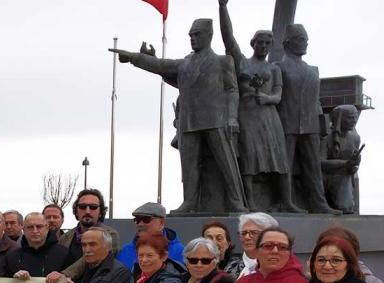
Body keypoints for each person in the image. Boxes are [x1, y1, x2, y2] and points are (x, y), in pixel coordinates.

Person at [111, 19, 249, 214]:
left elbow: (232, 90)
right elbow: (160, 65)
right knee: (189, 167)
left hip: (216, 121)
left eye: (197, 34)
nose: (193, 38)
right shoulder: (184, 63)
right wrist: (134, 57)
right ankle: (189, 203)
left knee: (227, 164)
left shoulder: (223, 61)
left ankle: (236, 202)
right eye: (191, 35)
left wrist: (232, 118)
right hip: (188, 122)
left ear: (209, 36)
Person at [218, 0, 302, 212]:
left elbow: (279, 95)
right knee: (250, 158)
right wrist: (223, 7)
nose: (263, 46)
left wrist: (267, 98)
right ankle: (251, 202)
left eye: (267, 43)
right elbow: (228, 38)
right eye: (260, 42)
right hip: (248, 115)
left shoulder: (274, 69)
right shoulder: (242, 62)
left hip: (269, 116)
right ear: (253, 43)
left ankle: (287, 201)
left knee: (279, 159)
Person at [275, 24, 340, 215]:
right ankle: (286, 201)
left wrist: (323, 125)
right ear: (288, 43)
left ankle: (319, 203)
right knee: (284, 165)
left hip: (310, 124)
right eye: (302, 39)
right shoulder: (278, 67)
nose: (306, 44)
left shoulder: (313, 70)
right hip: (287, 122)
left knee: (313, 165)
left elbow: (317, 100)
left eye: (306, 40)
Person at [117, 202, 184, 270]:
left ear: (161, 223)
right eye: (137, 220)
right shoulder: (125, 251)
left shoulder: (180, 252)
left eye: (146, 219)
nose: (140, 224)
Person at [59, 189, 120, 263]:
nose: (87, 211)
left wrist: (65, 273)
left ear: (100, 212)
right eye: (82, 207)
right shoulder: (65, 238)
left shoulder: (110, 235)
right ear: (76, 211)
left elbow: (92, 260)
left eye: (93, 207)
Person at [321, 105, 363, 214]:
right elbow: (320, 163)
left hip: (345, 175)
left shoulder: (355, 138)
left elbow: (354, 164)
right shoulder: (325, 137)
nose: (354, 120)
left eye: (355, 117)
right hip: (326, 176)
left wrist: (354, 165)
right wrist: (345, 163)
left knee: (347, 207)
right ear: (338, 119)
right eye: (350, 117)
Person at [228, 212, 278, 280]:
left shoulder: (277, 268)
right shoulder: (231, 268)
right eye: (244, 233)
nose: (247, 237)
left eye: (254, 233)